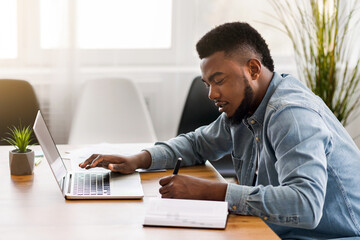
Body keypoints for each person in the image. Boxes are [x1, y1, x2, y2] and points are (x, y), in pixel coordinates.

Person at [79, 22, 360, 239]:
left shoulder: (290, 115)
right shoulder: (246, 109)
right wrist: (138, 159)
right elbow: (197, 144)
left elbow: (305, 206)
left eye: (219, 80)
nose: (212, 94)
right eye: (207, 83)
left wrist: (213, 191)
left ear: (252, 69)